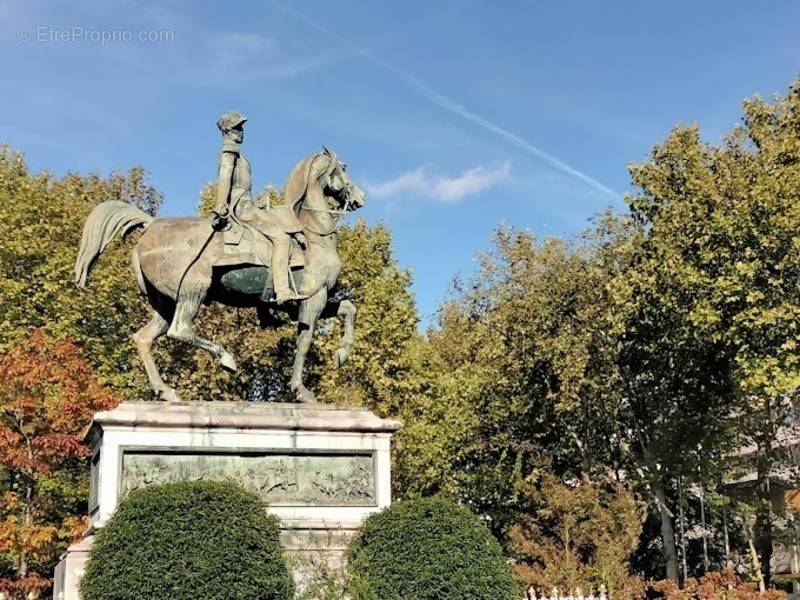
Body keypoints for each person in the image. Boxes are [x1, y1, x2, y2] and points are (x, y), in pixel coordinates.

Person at [212, 111, 307, 303]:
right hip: (242, 208)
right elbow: (224, 178)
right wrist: (221, 205)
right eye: (237, 127)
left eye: (242, 127)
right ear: (228, 130)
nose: (242, 131)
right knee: (280, 238)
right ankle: (282, 290)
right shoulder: (229, 153)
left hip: (249, 204)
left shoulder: (238, 155)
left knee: (280, 213)